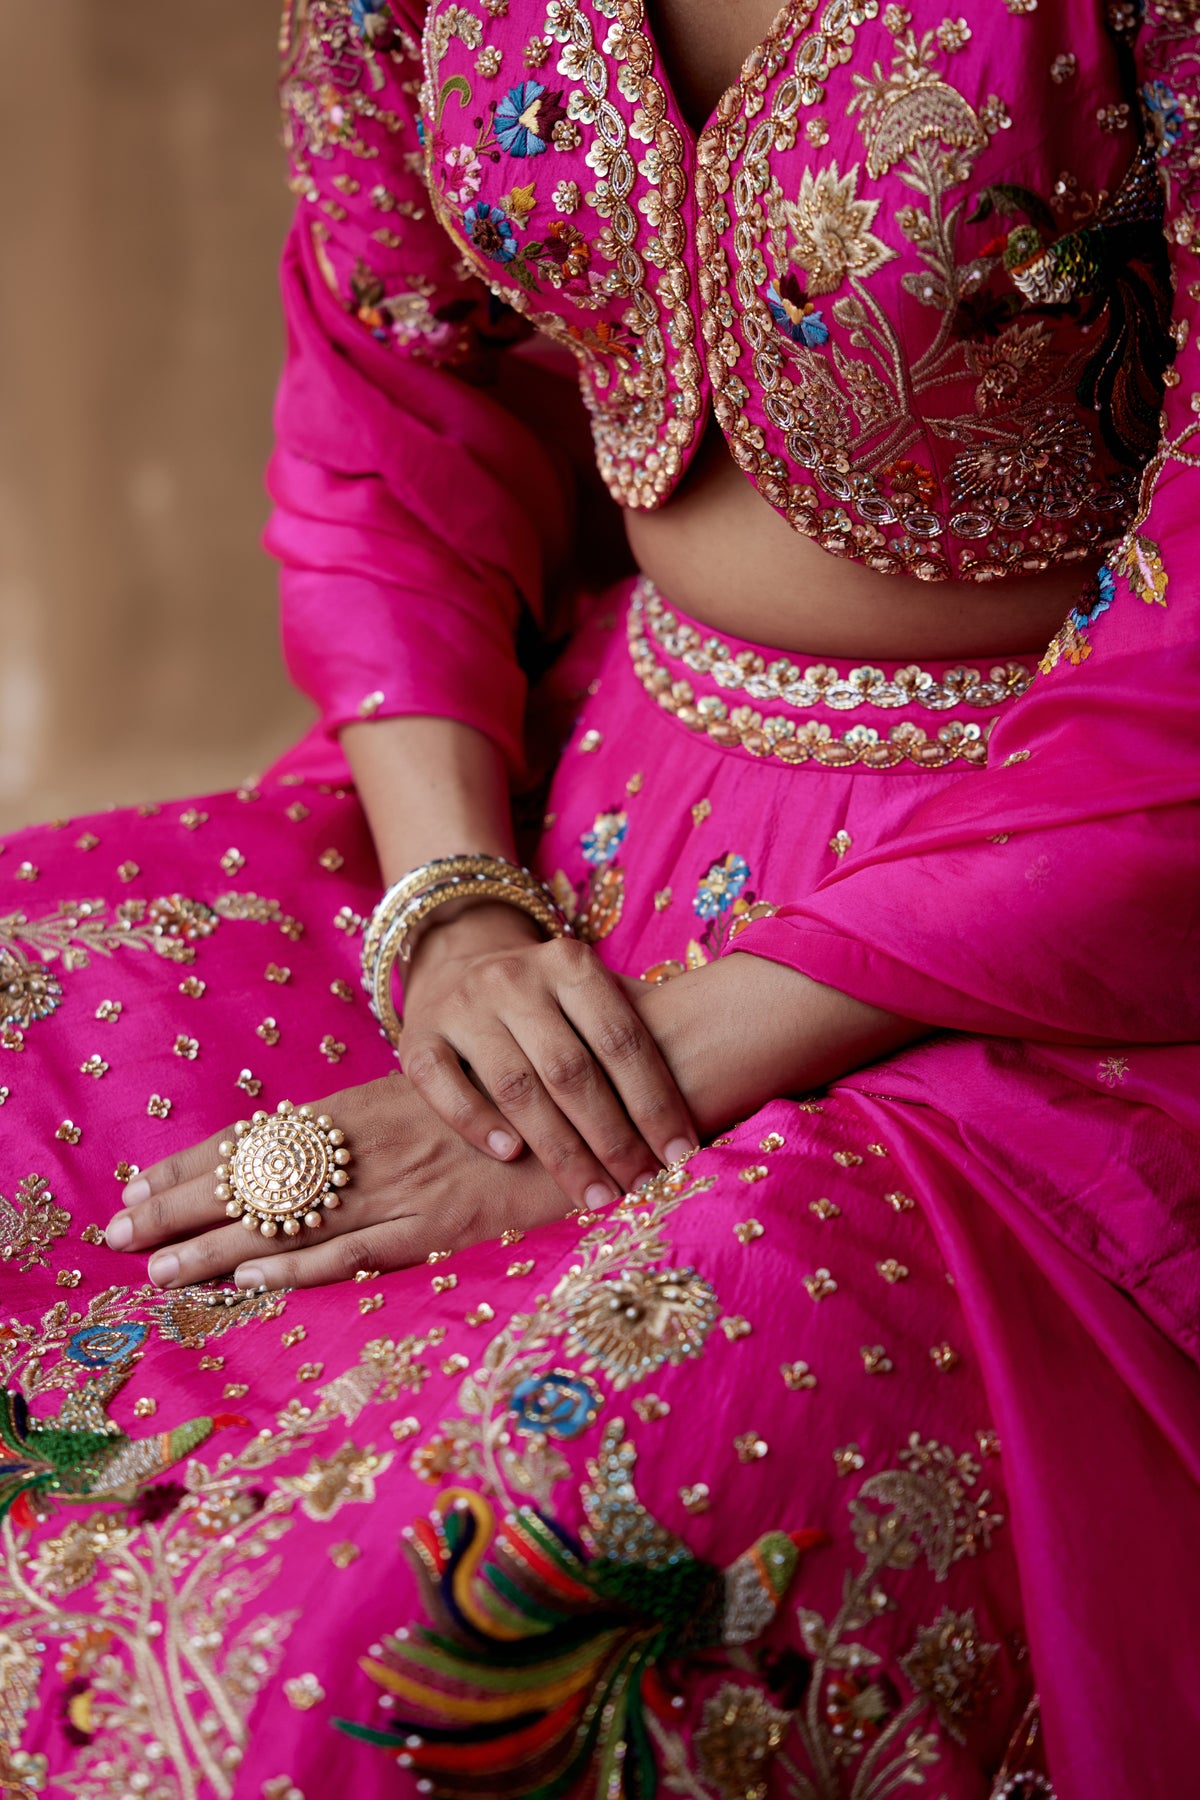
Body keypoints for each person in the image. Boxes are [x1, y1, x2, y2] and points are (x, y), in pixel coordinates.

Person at [1, 1, 1199, 1795]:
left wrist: (631, 1080)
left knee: (377, 1656)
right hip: (567, 820)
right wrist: (459, 911)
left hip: (1048, 922)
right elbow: (394, 395)